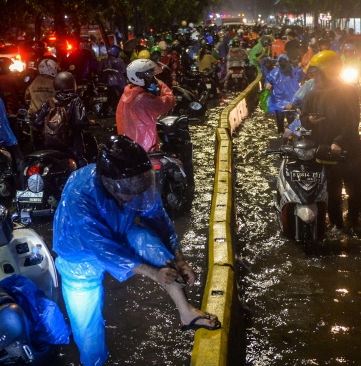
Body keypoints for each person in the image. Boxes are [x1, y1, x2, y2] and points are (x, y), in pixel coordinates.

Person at [53, 135, 221, 366]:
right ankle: (94, 361)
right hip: (80, 255)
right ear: (110, 183)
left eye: (139, 185)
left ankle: (186, 312)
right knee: (87, 327)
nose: (135, 194)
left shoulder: (137, 184)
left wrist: (179, 260)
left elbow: (159, 220)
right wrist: (152, 272)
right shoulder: (81, 194)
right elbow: (103, 248)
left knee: (148, 240)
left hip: (120, 232)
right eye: (129, 190)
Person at [299, 50, 361, 229]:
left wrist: (338, 142)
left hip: (349, 152)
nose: (314, 78)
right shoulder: (312, 94)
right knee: (332, 192)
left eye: (317, 74)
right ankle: (337, 223)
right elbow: (303, 118)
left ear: (328, 72)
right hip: (324, 151)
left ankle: (354, 220)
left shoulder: (348, 91)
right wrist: (310, 121)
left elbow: (352, 121)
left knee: (356, 190)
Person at [115, 59, 175, 151]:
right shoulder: (143, 98)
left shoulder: (126, 94)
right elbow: (168, 102)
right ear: (138, 77)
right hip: (145, 146)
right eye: (149, 76)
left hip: (130, 146)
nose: (151, 79)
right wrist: (161, 84)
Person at [32, 71, 90, 165]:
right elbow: (79, 122)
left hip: (50, 145)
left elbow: (37, 121)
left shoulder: (50, 101)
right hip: (71, 145)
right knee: (81, 162)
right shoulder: (75, 101)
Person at [265, 54, 304, 135]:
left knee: (291, 118)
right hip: (278, 99)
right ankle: (281, 134)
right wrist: (267, 84)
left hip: (290, 99)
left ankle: (294, 135)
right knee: (279, 118)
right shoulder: (274, 72)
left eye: (284, 62)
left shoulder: (292, 71)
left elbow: (300, 77)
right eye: (281, 62)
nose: (282, 64)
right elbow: (268, 79)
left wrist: (300, 68)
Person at [25, 58, 58, 148]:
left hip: (34, 117)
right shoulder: (55, 83)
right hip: (50, 118)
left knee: (34, 142)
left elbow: (26, 98)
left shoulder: (34, 82)